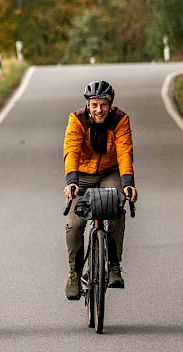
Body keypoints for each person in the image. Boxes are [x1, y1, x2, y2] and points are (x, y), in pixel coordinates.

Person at [62, 80, 138, 299]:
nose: (99, 110)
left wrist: (128, 184)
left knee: (115, 206)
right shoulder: (76, 120)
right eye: (94, 105)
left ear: (110, 103)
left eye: (103, 105)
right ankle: (74, 273)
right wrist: (71, 181)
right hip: (82, 176)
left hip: (109, 173)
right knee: (75, 223)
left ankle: (114, 265)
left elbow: (124, 152)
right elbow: (71, 150)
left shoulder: (120, 120)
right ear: (88, 104)